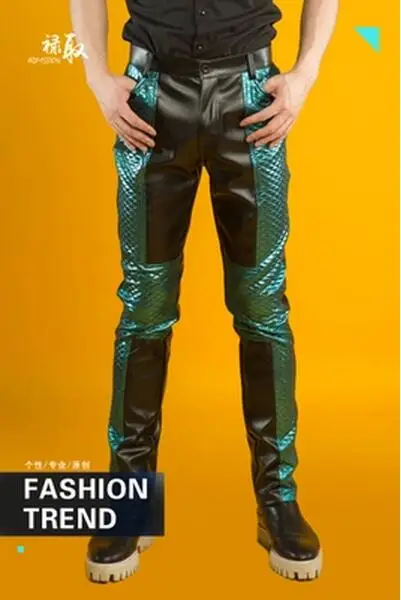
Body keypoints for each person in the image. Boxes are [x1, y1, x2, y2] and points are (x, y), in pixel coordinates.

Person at [70, 0, 338, 584]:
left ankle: (278, 500)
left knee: (262, 309)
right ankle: (128, 500)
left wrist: (305, 73)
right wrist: (96, 75)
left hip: (251, 97)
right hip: (150, 96)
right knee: (145, 307)